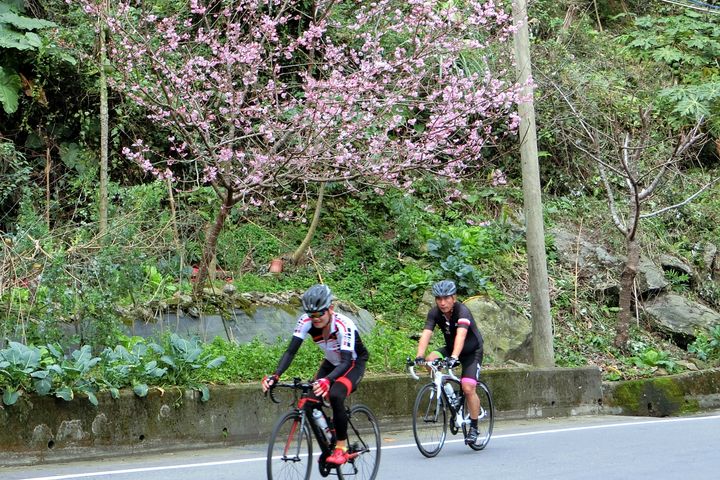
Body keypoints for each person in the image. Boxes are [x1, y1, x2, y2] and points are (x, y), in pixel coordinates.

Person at [261, 284, 369, 465]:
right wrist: (276, 375)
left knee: (335, 394)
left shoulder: (344, 324)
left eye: (320, 314)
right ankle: (329, 441)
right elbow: (290, 352)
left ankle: (341, 448)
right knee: (310, 403)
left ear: (331, 309)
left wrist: (328, 380)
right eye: (312, 315)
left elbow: (345, 361)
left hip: (352, 363)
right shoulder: (306, 321)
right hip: (331, 362)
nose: (315, 319)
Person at [415, 279, 485, 445]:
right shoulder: (434, 313)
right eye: (439, 299)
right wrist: (419, 355)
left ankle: (474, 427)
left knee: (468, 388)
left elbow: (461, 336)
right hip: (451, 347)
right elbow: (426, 334)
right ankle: (445, 390)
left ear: (454, 298)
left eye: (446, 298)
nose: (442, 302)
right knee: (430, 360)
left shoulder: (463, 311)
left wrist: (454, 357)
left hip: (471, 351)